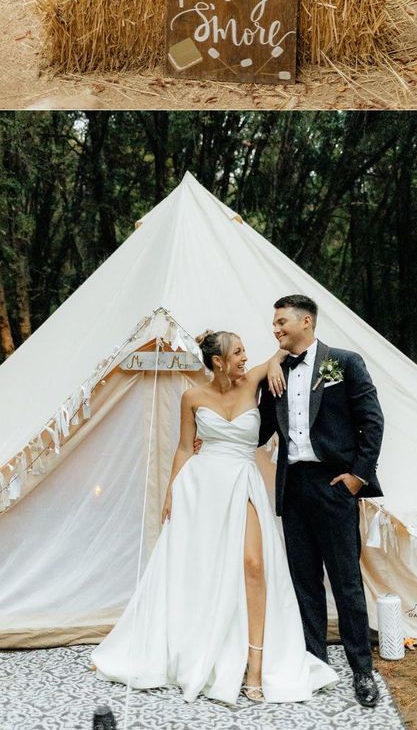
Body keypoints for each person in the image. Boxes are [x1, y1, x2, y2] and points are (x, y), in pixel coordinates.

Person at [92, 331, 338, 705]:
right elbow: (182, 447)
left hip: (242, 481)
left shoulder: (254, 379)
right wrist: (171, 491)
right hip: (201, 488)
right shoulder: (192, 397)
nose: (244, 356)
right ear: (218, 361)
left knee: (254, 565)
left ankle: (255, 667)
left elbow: (281, 354)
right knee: (203, 569)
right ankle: (202, 648)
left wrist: (274, 359)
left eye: (244, 350)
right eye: (237, 352)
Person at [258, 294, 384, 709]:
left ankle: (362, 671)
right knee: (304, 580)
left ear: (306, 321)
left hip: (334, 485)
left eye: (281, 323)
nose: (275, 329)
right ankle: (314, 663)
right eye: (274, 324)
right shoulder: (274, 371)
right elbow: (260, 431)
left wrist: (356, 478)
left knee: (346, 581)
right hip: (293, 487)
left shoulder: (341, 362)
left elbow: (372, 421)